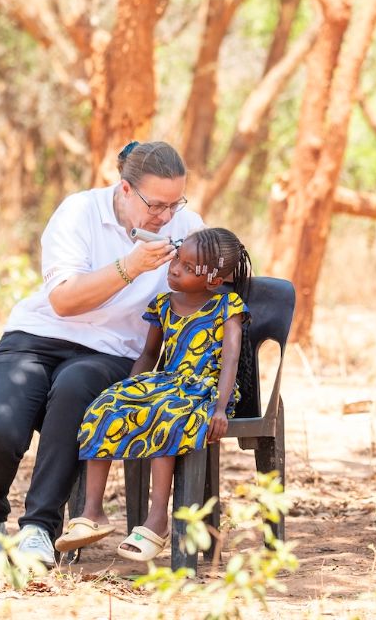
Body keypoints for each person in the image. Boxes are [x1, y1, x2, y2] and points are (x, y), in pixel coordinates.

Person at [0, 141, 205, 567]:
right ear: (126, 190)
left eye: (176, 203)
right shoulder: (79, 212)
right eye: (156, 205)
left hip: (111, 351)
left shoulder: (186, 224)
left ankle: (39, 528)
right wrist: (130, 267)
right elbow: (64, 302)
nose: (167, 216)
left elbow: (203, 291)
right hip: (35, 336)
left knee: (75, 390)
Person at [52, 228, 251, 561]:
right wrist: (129, 388)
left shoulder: (227, 305)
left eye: (188, 268)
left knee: (166, 415)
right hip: (165, 383)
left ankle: (157, 520)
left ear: (214, 281)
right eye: (177, 260)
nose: (175, 269)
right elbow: (148, 355)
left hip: (204, 390)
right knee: (105, 406)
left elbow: (231, 359)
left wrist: (219, 408)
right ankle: (91, 512)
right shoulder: (163, 304)